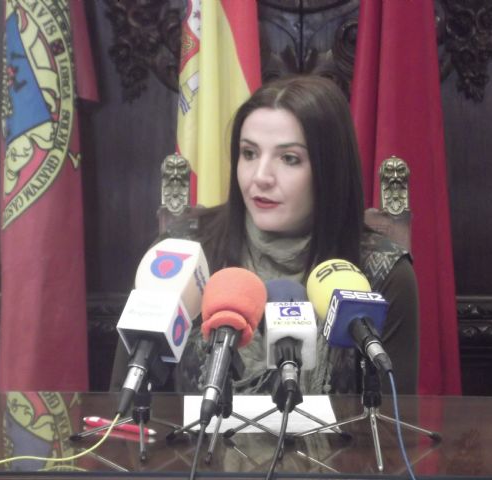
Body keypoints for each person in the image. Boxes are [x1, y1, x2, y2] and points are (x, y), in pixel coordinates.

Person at [110, 75, 419, 395]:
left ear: (331, 168)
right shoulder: (179, 255)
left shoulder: (383, 273)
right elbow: (126, 400)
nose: (260, 177)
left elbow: (393, 418)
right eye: (249, 153)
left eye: (289, 159)